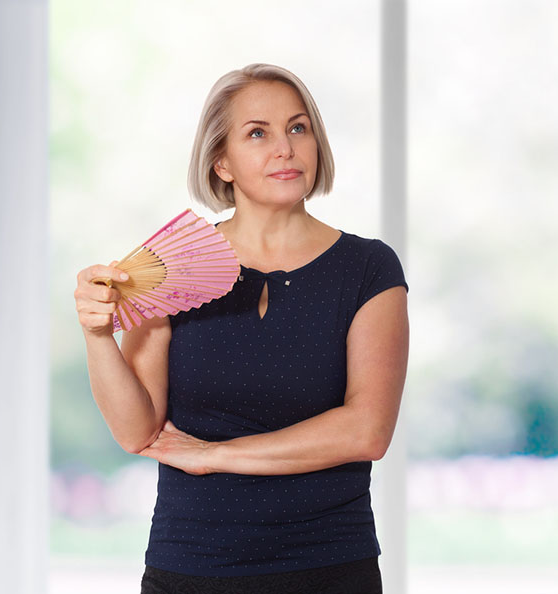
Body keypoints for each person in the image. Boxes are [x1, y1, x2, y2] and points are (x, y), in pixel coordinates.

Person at [72, 63, 409, 594]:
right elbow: (136, 430)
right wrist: (96, 336)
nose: (285, 148)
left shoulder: (368, 268)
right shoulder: (173, 265)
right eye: (259, 133)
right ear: (221, 162)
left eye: (298, 128)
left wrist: (217, 456)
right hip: (190, 567)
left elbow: (367, 430)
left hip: (329, 567)